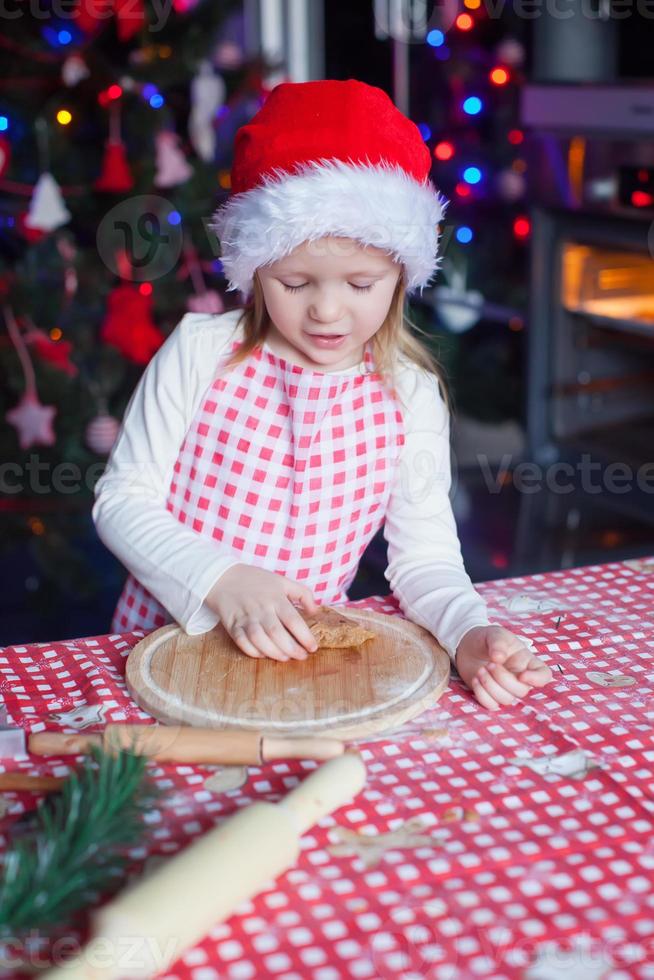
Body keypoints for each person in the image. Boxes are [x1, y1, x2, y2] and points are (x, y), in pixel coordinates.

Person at [93, 78, 553, 711]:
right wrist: (221, 579)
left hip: (297, 671)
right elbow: (122, 501)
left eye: (362, 284)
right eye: (296, 281)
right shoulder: (200, 352)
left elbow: (424, 558)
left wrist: (467, 631)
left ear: (401, 274)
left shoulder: (409, 393)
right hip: (162, 662)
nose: (327, 312)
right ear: (254, 266)